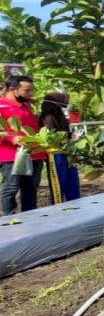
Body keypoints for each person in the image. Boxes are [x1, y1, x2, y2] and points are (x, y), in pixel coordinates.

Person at [0, 75, 46, 215]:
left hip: (34, 154)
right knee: (11, 188)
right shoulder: (2, 105)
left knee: (31, 188)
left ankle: (30, 218)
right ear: (13, 89)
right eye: (27, 90)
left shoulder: (27, 105)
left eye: (32, 90)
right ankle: (10, 219)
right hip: (12, 155)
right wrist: (12, 138)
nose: (30, 93)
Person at [39, 92, 81, 203]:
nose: (67, 103)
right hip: (56, 154)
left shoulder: (59, 115)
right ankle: (58, 207)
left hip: (66, 152)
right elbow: (52, 136)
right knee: (58, 183)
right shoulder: (48, 117)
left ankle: (75, 204)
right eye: (65, 100)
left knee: (72, 181)